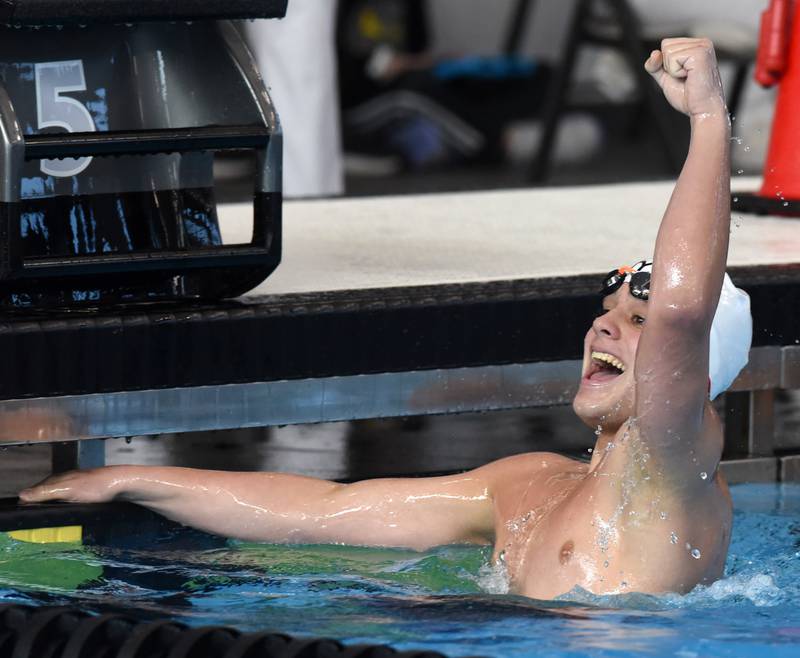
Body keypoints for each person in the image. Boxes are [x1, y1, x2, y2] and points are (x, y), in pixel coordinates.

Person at [19, 38, 751, 600]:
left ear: (696, 371)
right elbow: (327, 513)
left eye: (637, 319)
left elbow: (686, 309)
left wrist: (710, 120)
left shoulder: (674, 472)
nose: (603, 328)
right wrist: (130, 482)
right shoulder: (529, 484)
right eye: (607, 312)